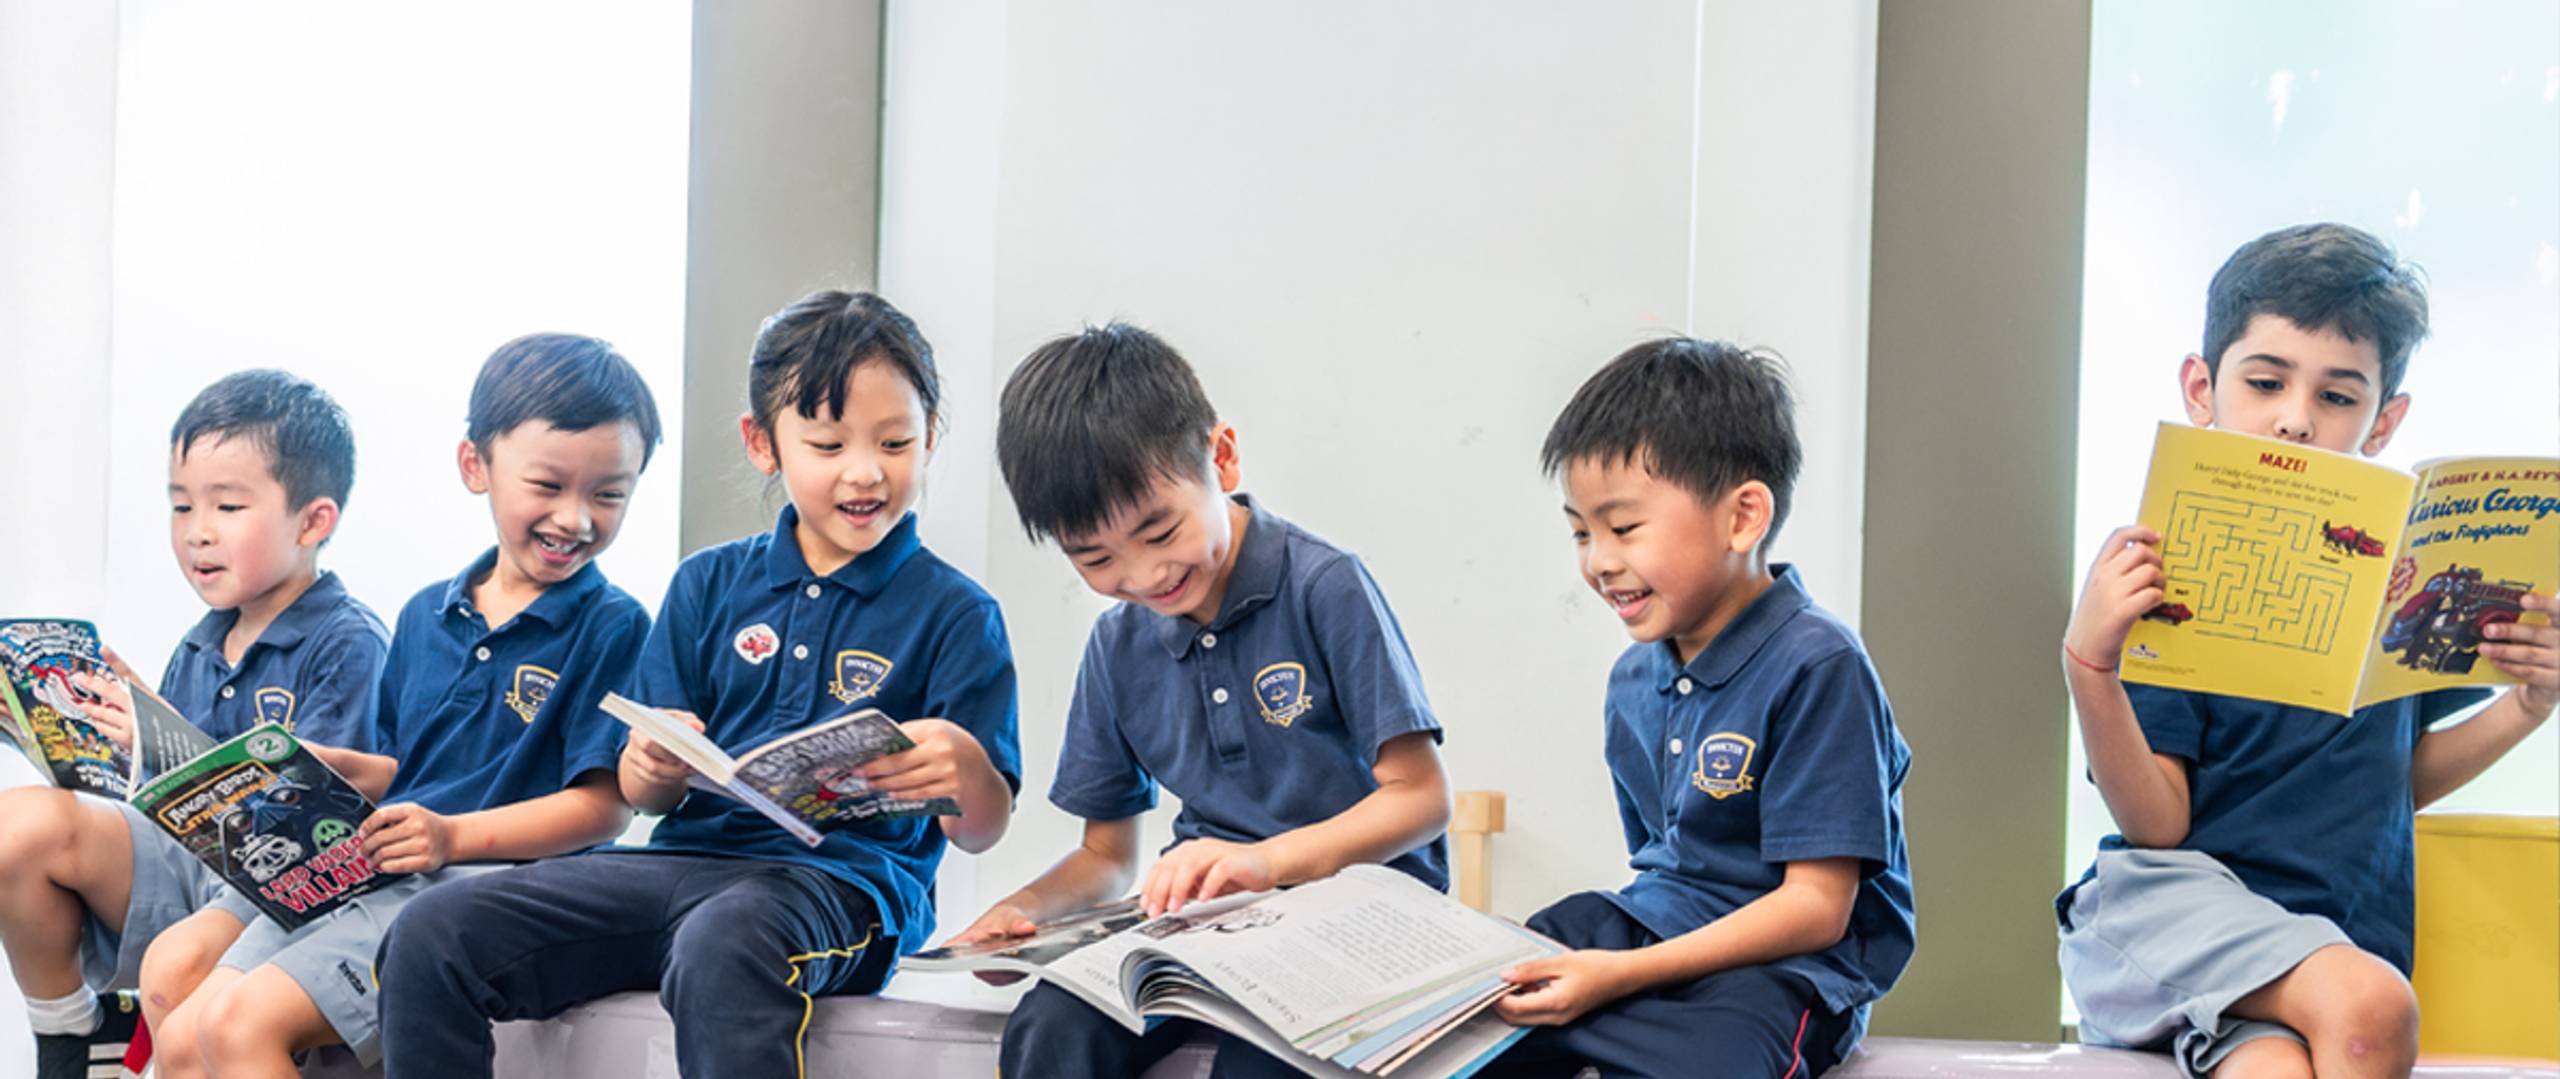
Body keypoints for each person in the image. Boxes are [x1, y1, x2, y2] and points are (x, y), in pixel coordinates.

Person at [375, 291, 1020, 1079]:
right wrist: (651, 765)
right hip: (677, 865)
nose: (865, 471)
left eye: (895, 442)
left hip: (846, 885)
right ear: (763, 444)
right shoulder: (708, 583)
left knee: (724, 939)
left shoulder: (955, 611)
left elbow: (982, 828)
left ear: (929, 438)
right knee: (433, 930)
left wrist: (965, 769)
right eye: (827, 443)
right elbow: (646, 799)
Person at [2057, 223, 2558, 1078]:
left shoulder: (2389, 580)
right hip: (2167, 914)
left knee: (2296, 1057)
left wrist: (2528, 705)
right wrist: (2090, 667)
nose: (2294, 419)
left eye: (2337, 396)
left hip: (2324, 949)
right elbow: (2159, 823)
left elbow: (2398, 777)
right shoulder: (2167, 574)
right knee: (2373, 1004)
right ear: (2201, 387)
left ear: (2384, 418)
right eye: (2265, 382)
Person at [145, 333, 664, 1077]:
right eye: (548, 486)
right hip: (383, 871)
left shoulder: (614, 625)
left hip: (493, 889)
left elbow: (603, 809)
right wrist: (332, 767)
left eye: (609, 493)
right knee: (183, 1034)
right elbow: (408, 768)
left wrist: (450, 836)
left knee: (236, 1024)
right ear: (475, 466)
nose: (575, 518)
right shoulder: (427, 614)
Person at [957, 322, 1453, 1079]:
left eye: (1160, 529)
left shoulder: (1324, 585)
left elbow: (1421, 799)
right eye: (1096, 558)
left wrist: (1265, 862)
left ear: (1221, 458)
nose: (1145, 573)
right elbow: (1106, 856)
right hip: (1212, 924)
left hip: (1361, 909)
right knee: (1051, 1024)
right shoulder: (1119, 645)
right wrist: (1023, 911)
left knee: (1265, 1065)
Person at [1482, 337, 1915, 1079]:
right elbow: (1663, 865)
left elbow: (1816, 908)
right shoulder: (1631, 680)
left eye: (1623, 527)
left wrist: (1619, 977)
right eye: (1581, 532)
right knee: (1507, 977)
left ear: (1743, 517)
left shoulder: (1819, 664)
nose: (1598, 560)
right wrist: (1606, 963)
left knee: (1721, 1049)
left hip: (1791, 962)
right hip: (1665, 924)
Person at [0, 370, 389, 1079]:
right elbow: (157, 802)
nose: (197, 533)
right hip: (193, 866)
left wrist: (163, 731)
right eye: (181, 507)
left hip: (272, 890)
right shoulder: (203, 642)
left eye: (228, 505)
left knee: (181, 971)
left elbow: (318, 825)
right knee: (16, 826)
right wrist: (75, 731)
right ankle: (76, 1030)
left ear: (313, 520)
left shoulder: (347, 641)